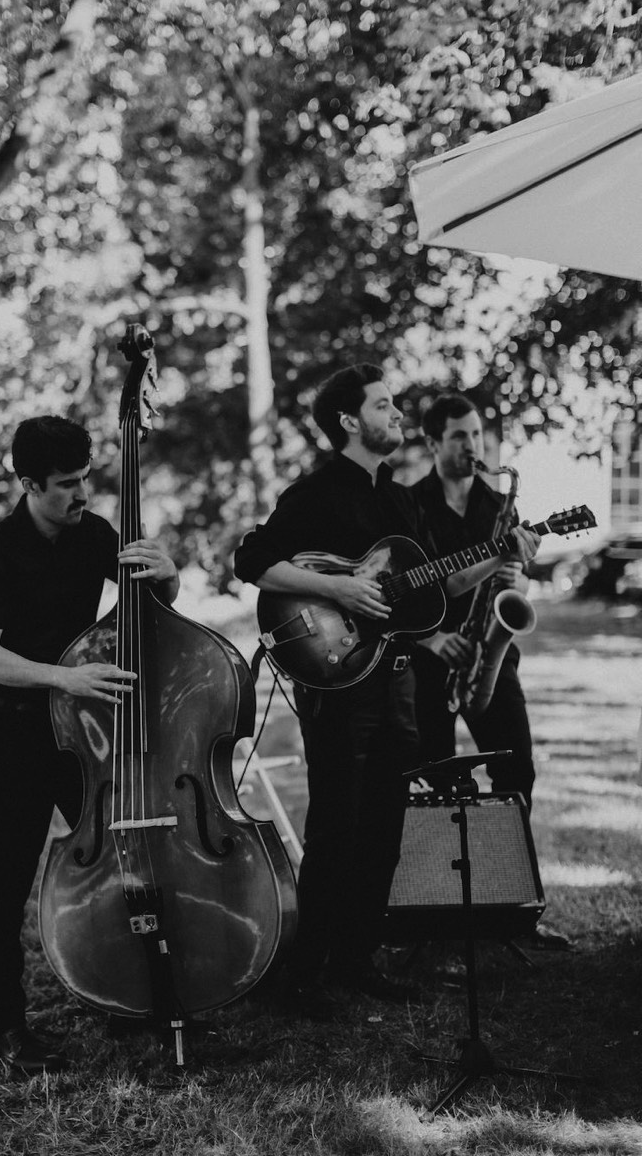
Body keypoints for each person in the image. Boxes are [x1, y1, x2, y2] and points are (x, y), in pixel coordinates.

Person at [234, 366, 541, 1016]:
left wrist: (497, 554)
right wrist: (338, 589)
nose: (398, 413)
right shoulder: (316, 491)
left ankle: (357, 957)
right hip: (339, 682)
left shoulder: (397, 500)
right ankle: (306, 976)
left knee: (385, 826)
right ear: (350, 421)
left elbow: (440, 587)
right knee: (336, 827)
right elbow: (252, 559)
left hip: (395, 681)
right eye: (384, 404)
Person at [0, 415, 179, 1073]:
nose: (81, 495)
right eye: (64, 485)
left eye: (86, 480)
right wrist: (65, 675)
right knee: (8, 881)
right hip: (16, 729)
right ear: (28, 483)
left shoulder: (93, 534)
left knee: (122, 856)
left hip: (79, 730)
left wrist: (167, 575)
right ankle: (6, 1028)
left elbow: (152, 604)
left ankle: (129, 995)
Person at [409, 392, 570, 948]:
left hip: (492, 659)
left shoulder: (499, 504)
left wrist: (515, 578)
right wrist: (433, 636)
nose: (472, 446)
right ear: (432, 442)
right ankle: (438, 919)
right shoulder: (411, 506)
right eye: (459, 435)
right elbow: (417, 589)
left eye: (477, 434)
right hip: (430, 663)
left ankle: (516, 917)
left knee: (516, 776)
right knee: (434, 785)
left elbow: (515, 584)